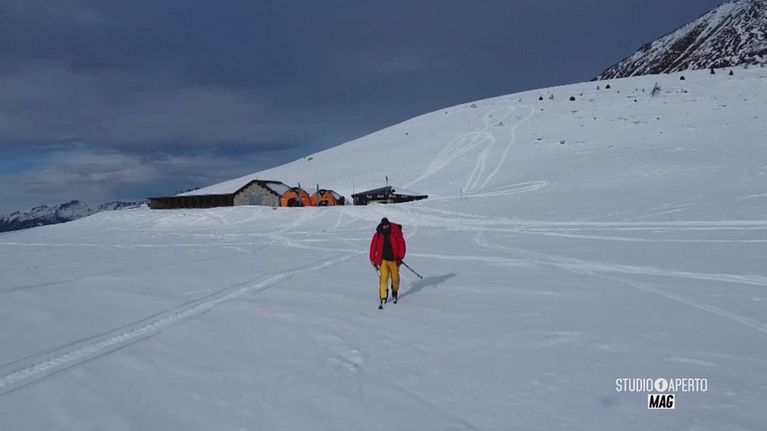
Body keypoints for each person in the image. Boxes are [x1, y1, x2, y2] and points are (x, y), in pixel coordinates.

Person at [369, 217, 406, 309]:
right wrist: (372, 258)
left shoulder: (396, 232)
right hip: (383, 261)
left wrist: (400, 257)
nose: (386, 227)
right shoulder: (378, 234)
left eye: (387, 225)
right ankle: (383, 297)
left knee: (395, 278)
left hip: (394, 260)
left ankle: (394, 291)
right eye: (384, 226)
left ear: (389, 225)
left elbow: (402, 245)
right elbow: (373, 246)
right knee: (384, 279)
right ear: (382, 226)